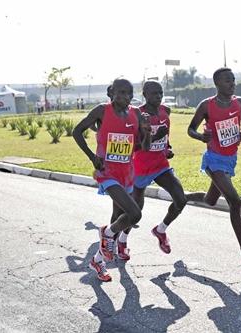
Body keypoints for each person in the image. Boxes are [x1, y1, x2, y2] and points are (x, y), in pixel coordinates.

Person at [73, 78, 151, 282]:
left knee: (118, 217)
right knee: (134, 213)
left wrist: (147, 131)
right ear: (112, 92)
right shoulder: (102, 111)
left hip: (127, 173)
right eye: (121, 92)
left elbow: (141, 147)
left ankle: (98, 260)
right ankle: (106, 233)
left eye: (129, 93)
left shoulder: (135, 114)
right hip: (106, 172)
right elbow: (77, 131)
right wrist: (92, 157)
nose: (125, 97)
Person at [187, 67, 241, 269]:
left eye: (233, 79)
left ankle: (183, 197)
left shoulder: (240, 103)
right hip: (213, 159)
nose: (232, 83)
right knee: (235, 202)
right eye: (227, 80)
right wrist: (200, 136)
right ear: (217, 83)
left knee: (210, 200)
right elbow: (190, 129)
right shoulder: (206, 106)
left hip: (231, 159)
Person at [113, 80, 187, 261]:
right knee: (136, 211)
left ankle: (160, 230)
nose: (159, 96)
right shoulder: (138, 115)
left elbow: (166, 136)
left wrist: (167, 147)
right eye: (154, 93)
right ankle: (122, 240)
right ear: (144, 94)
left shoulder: (165, 111)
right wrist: (155, 137)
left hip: (161, 165)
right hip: (140, 168)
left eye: (160, 93)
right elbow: (136, 146)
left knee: (181, 199)